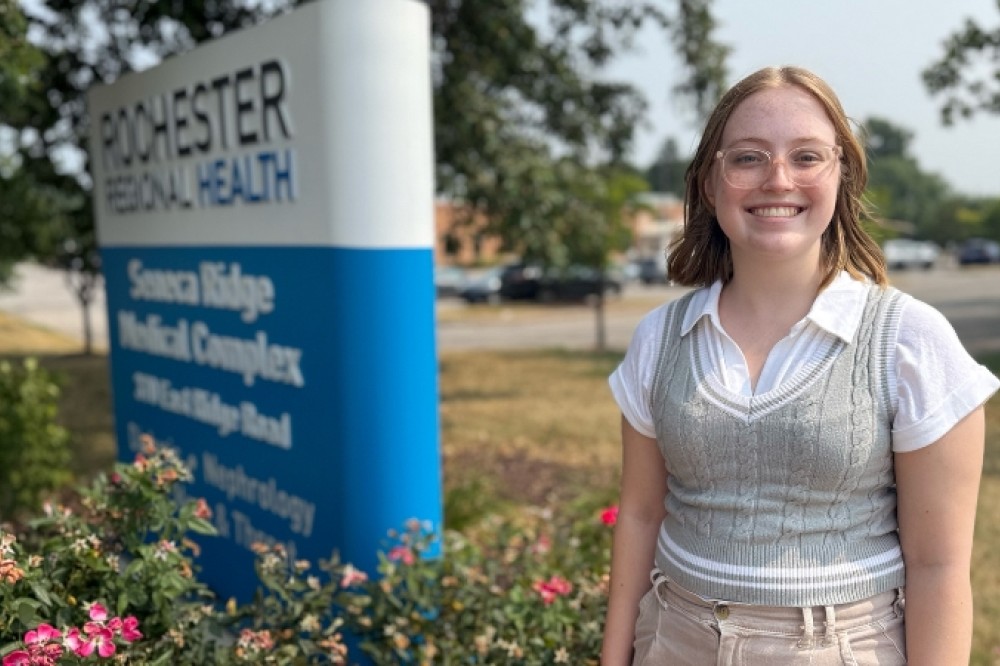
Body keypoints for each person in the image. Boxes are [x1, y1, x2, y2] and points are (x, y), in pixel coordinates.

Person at [601, 65, 1000, 665]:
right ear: (710, 183)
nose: (778, 179)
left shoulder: (909, 341)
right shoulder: (659, 338)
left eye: (807, 156)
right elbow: (639, 515)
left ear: (843, 176)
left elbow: (937, 565)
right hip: (671, 642)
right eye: (747, 158)